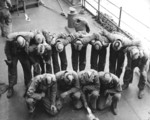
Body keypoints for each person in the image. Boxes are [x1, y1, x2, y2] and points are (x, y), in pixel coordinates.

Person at [4, 32, 37, 98]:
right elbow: (6, 50)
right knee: (12, 69)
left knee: (27, 68)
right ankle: (11, 87)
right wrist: (9, 59)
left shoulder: (29, 36)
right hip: (13, 54)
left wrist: (30, 49)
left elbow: (35, 44)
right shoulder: (10, 39)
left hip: (23, 53)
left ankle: (28, 84)